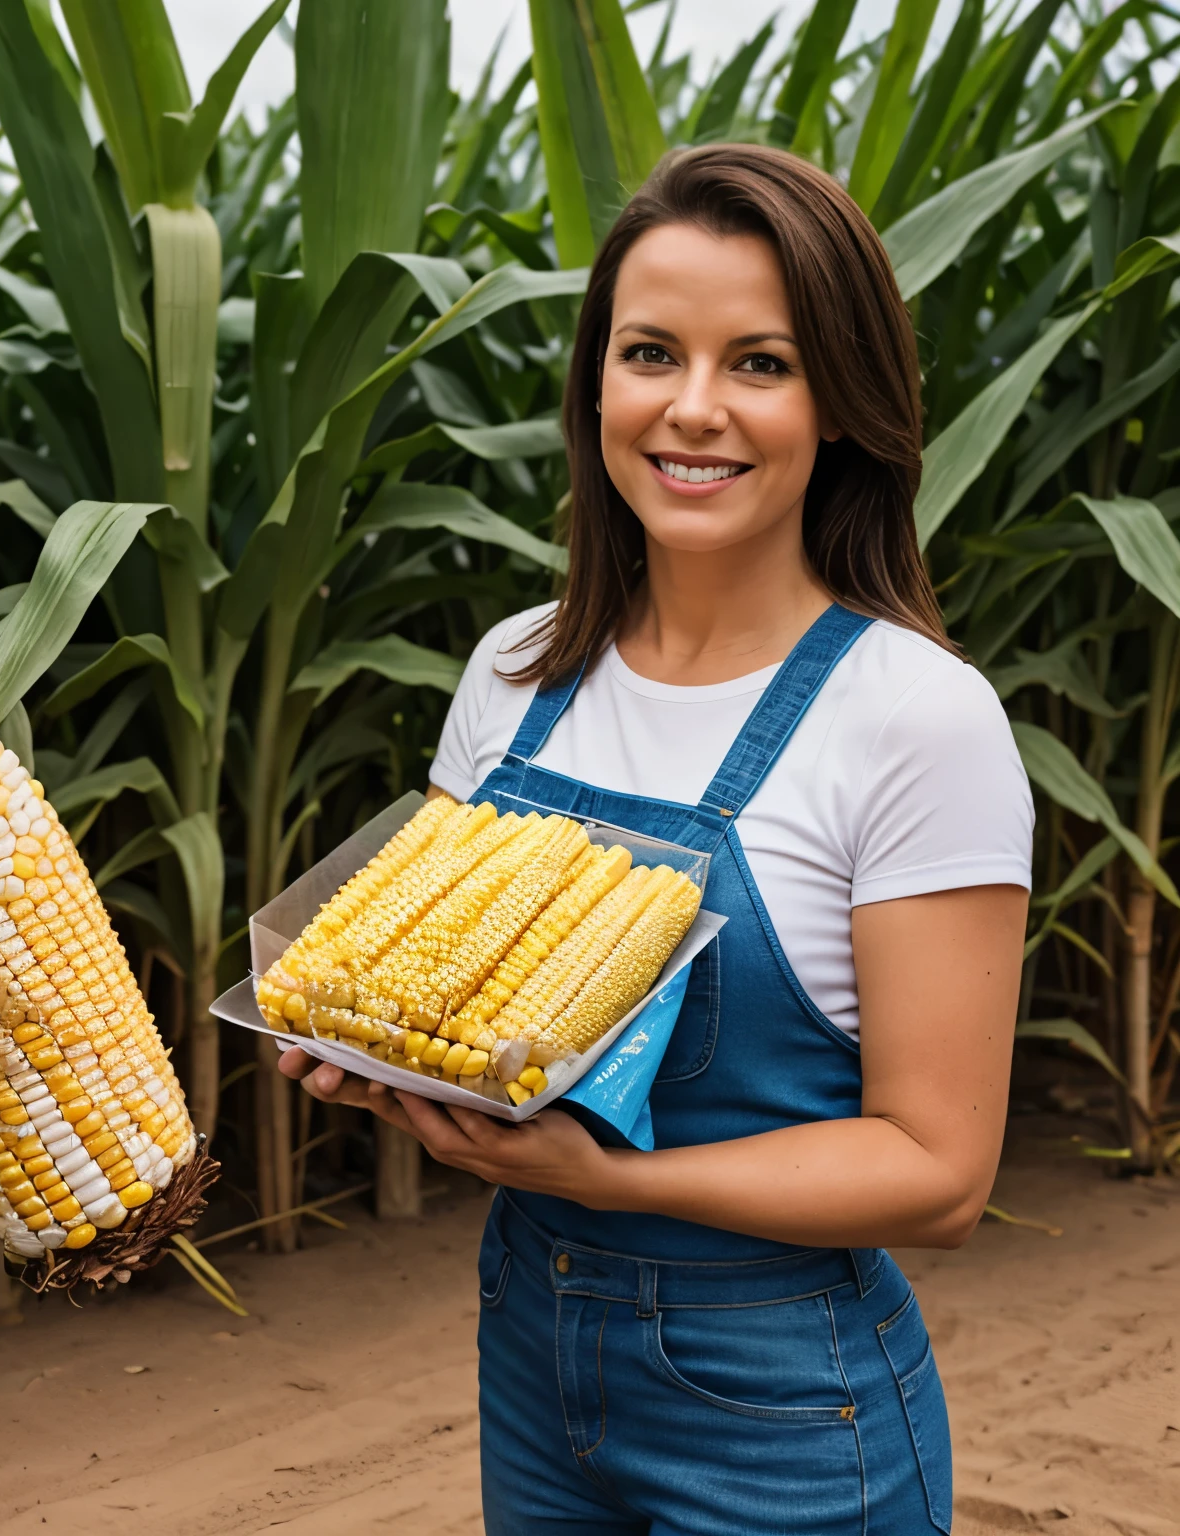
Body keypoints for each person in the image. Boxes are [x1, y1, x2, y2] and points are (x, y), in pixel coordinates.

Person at [279, 143, 1033, 1534]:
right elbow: (459, 1006)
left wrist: (612, 1179)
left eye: (761, 362)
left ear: (844, 403)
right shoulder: (516, 674)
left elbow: (938, 1173)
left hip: (785, 1402)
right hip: (530, 1343)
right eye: (649, 353)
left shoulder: (917, 720)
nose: (694, 411)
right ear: (594, 386)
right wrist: (368, 1052)